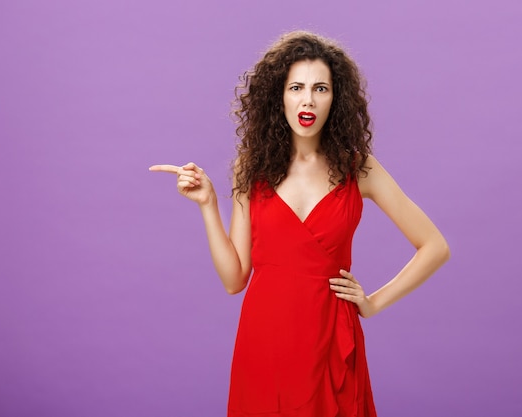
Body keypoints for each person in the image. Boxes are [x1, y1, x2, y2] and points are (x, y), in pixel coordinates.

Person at [150, 30, 450, 417]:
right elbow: (234, 279)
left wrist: (373, 303)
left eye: (320, 88)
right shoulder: (252, 168)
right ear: (280, 96)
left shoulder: (360, 169)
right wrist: (208, 204)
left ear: (335, 99)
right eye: (296, 87)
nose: (307, 99)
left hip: (330, 338)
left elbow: (434, 246)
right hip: (265, 339)